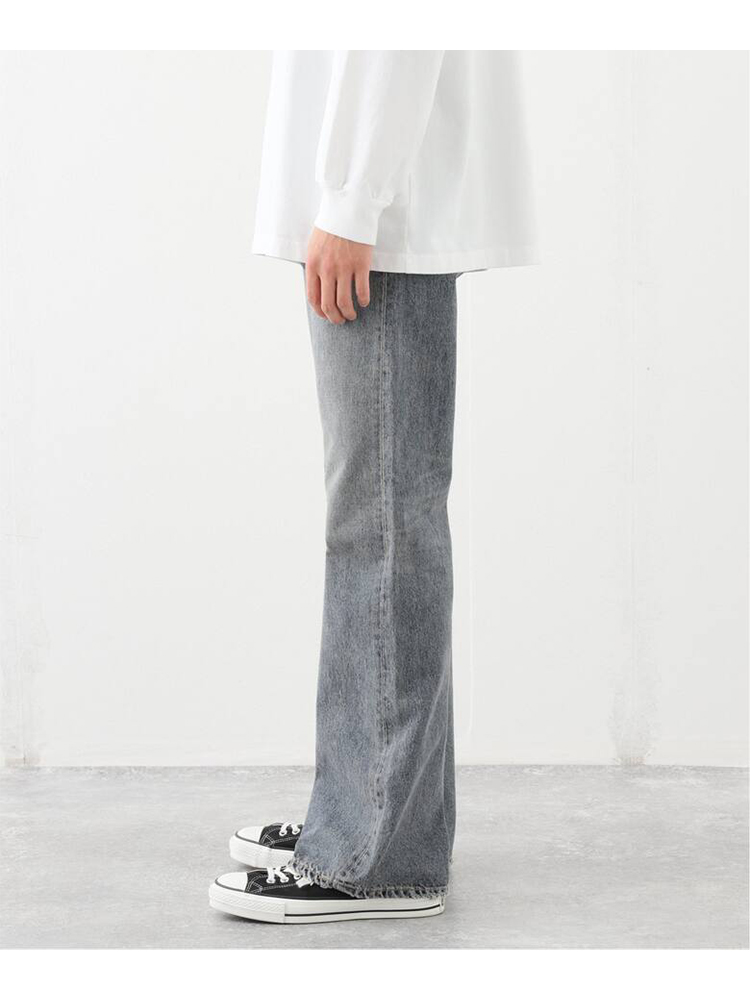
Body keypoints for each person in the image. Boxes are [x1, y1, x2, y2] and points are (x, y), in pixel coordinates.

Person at [208, 49, 537, 925]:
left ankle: (376, 857)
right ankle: (369, 813)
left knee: (382, 526)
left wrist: (354, 199)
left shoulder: (366, 205)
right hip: (373, 202)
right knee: (383, 520)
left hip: (379, 214)